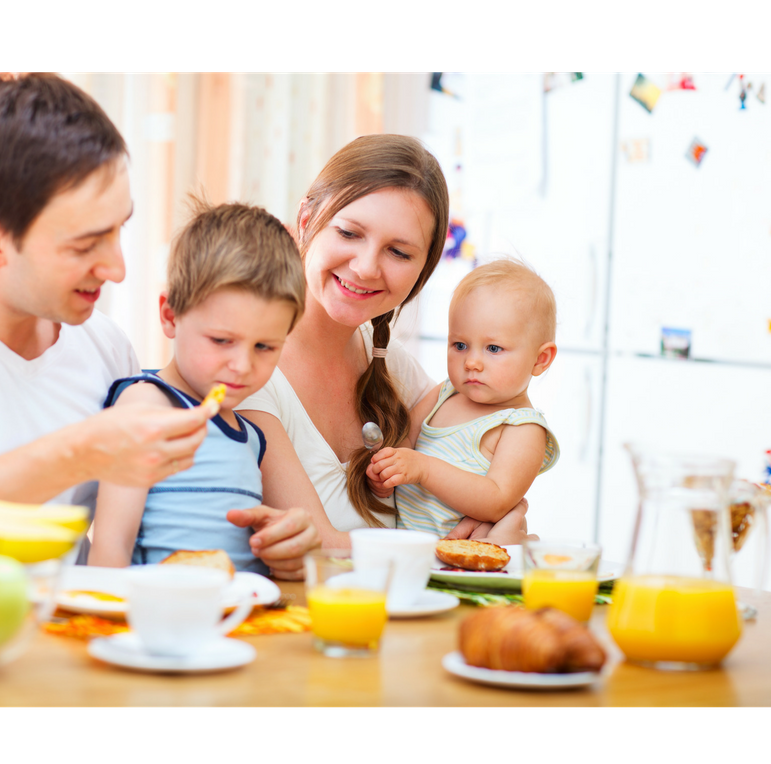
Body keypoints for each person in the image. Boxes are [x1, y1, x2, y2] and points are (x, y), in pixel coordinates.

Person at [0, 73, 317, 577]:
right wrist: (75, 455)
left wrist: (281, 545)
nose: (117, 268)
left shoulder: (104, 348)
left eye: (119, 228)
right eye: (85, 244)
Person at [239, 135, 531, 545]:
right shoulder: (246, 368)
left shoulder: (395, 368)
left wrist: (502, 512)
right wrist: (449, 552)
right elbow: (318, 547)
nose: (365, 268)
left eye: (398, 252)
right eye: (349, 233)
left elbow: (497, 466)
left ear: (422, 270)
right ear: (306, 220)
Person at [87, 200, 308, 573]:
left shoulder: (251, 437)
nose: (242, 365)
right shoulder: (147, 406)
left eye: (264, 347)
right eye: (222, 341)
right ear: (170, 316)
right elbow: (111, 548)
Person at [368, 259, 560, 538]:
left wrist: (422, 469)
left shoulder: (522, 428)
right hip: (413, 555)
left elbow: (496, 501)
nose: (472, 362)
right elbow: (405, 441)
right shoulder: (445, 393)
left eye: (493, 348)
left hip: (468, 566)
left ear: (540, 359)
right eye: (460, 345)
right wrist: (388, 473)